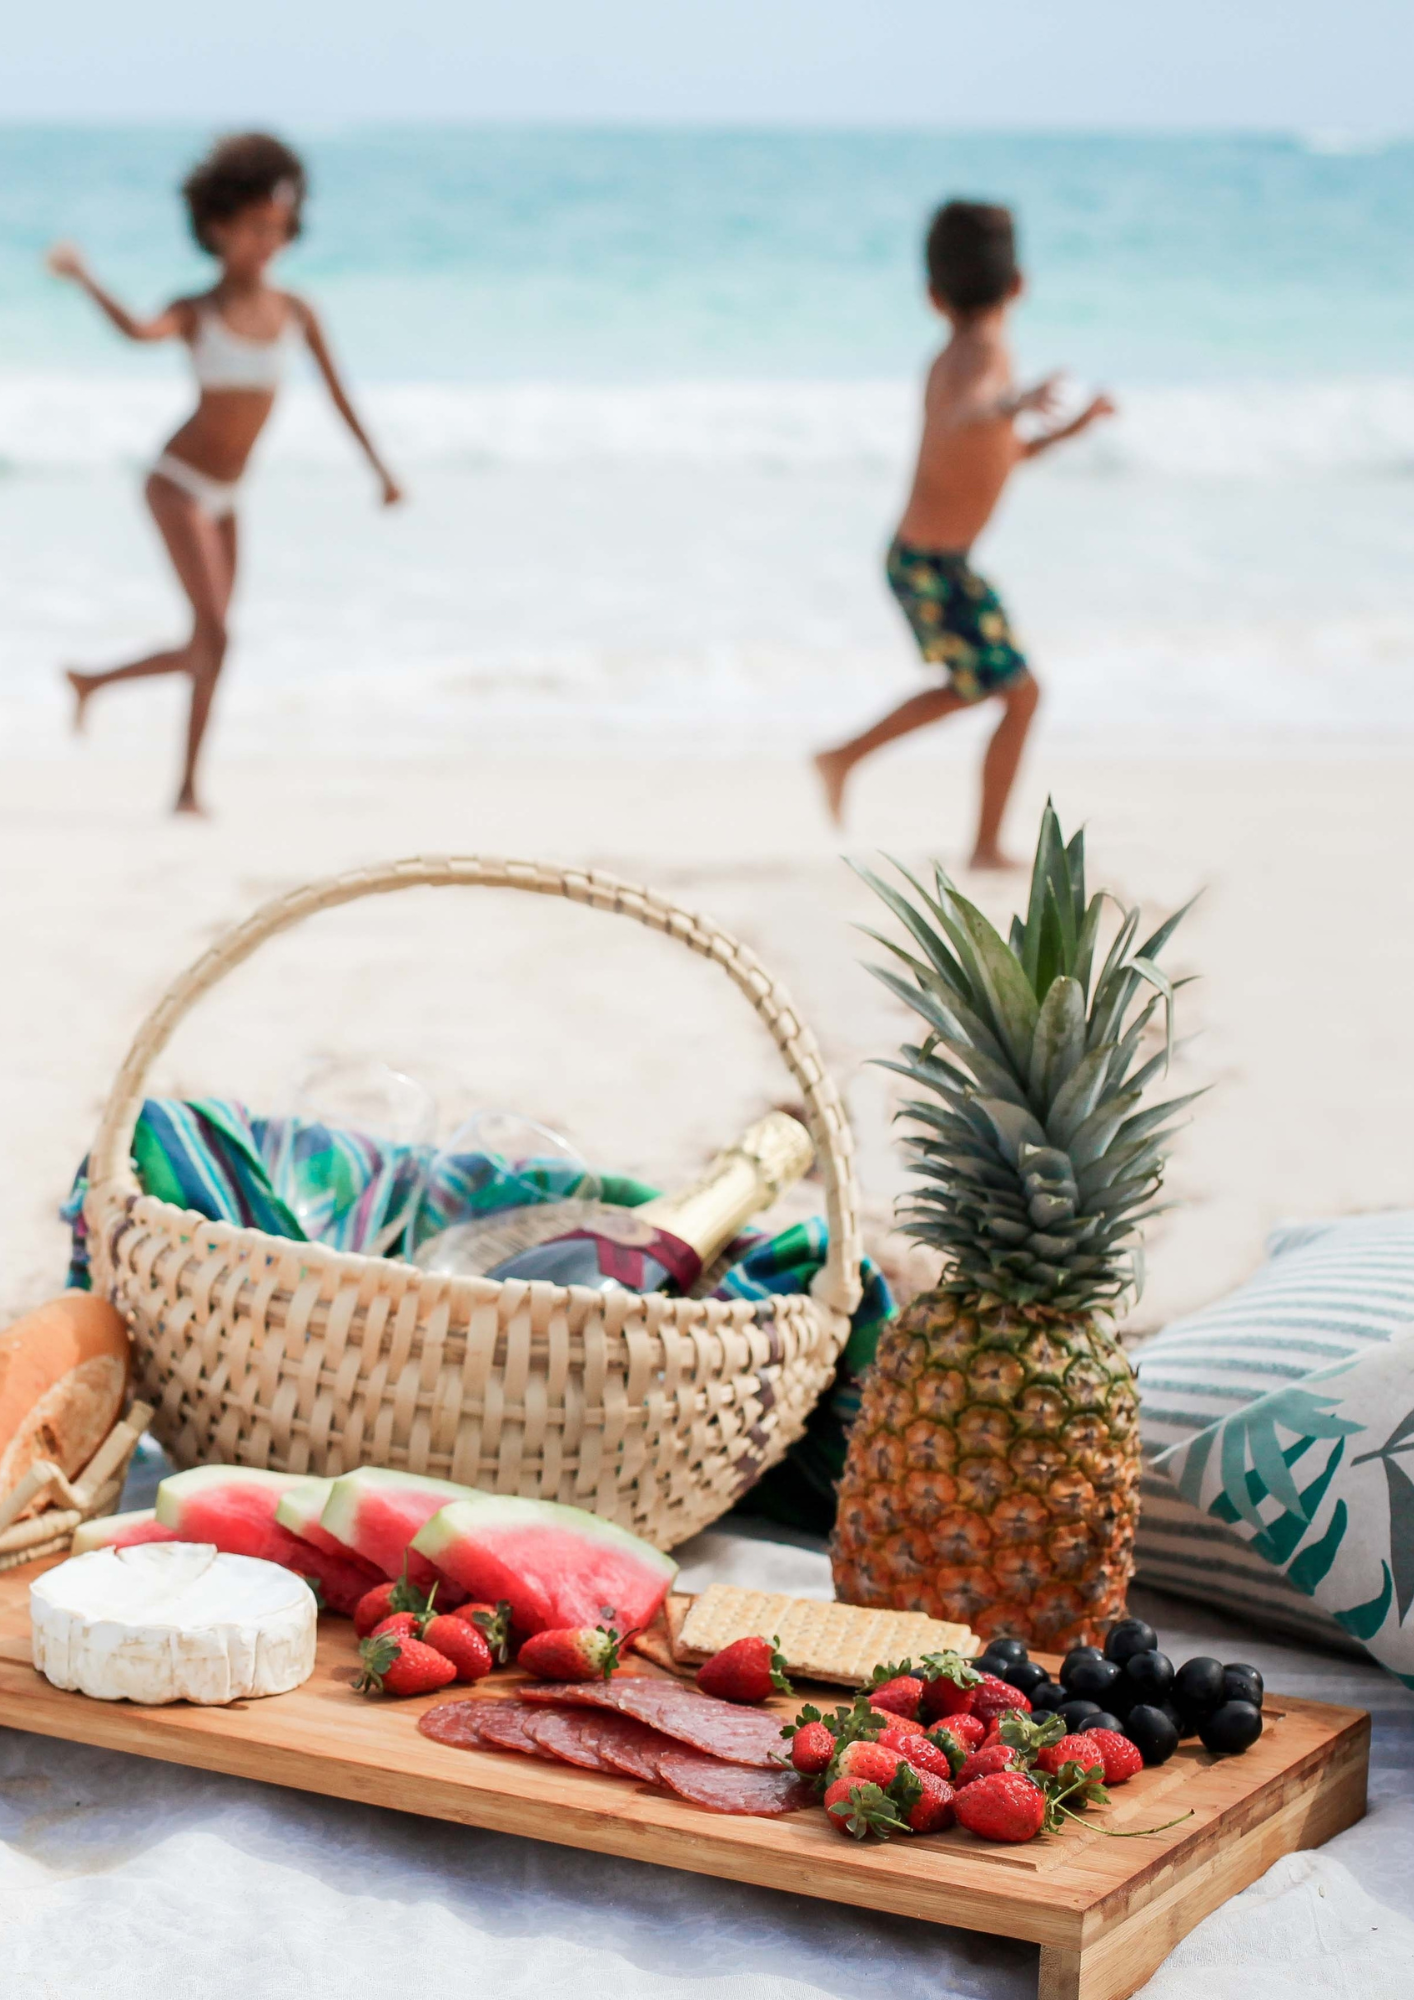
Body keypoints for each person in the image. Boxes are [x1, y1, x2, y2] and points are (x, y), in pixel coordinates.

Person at [46, 132, 402, 815]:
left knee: (214, 643)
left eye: (279, 229)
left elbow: (339, 395)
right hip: (177, 483)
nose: (268, 242)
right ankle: (110, 700)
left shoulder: (297, 311)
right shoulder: (196, 311)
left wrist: (380, 471)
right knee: (216, 636)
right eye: (254, 228)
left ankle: (175, 777)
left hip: (231, 495)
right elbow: (136, 333)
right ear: (217, 227)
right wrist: (86, 277)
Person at [814, 200, 1114, 867]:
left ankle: (845, 759)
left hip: (935, 562)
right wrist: (1015, 402)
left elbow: (998, 449)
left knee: (992, 689)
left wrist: (1066, 429)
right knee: (1016, 691)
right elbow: (966, 416)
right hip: (930, 564)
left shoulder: (965, 354)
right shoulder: (979, 354)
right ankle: (971, 840)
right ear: (1019, 284)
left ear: (930, 295)